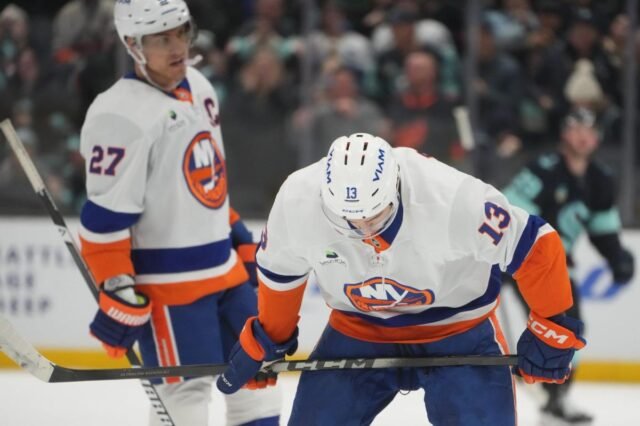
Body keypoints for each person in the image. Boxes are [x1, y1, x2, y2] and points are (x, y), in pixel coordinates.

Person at [216, 132, 588, 425]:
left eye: (373, 217)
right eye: (349, 220)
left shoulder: (451, 197)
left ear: (394, 191)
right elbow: (282, 271)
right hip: (358, 330)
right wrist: (270, 337)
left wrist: (552, 327)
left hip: (459, 330)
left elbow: (536, 245)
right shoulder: (298, 199)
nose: (363, 229)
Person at [77, 1, 280, 425]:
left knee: (258, 386)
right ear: (132, 44)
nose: (177, 47)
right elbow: (106, 218)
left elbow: (208, 185)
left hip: (225, 272)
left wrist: (239, 238)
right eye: (161, 38)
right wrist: (116, 285)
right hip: (170, 288)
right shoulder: (117, 114)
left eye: (182, 33)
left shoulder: (200, 86)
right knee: (186, 396)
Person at [502, 108, 635, 425]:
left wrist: (616, 256)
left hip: (558, 267)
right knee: (556, 324)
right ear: (564, 134)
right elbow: (509, 215)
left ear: (597, 137)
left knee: (569, 328)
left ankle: (555, 394)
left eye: (589, 130)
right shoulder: (542, 170)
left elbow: (602, 229)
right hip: (523, 262)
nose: (583, 136)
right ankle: (542, 389)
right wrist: (501, 261)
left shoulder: (600, 178)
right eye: (576, 129)